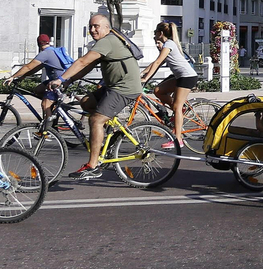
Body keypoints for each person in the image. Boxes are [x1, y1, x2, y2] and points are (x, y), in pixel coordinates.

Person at [52, 14, 144, 180]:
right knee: (86, 102)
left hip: (125, 88)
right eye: (91, 26)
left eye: (96, 26)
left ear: (107, 28)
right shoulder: (105, 42)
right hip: (114, 86)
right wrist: (70, 80)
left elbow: (82, 61)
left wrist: (60, 79)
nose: (93, 29)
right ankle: (110, 133)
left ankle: (93, 166)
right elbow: (88, 65)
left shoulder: (107, 41)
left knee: (96, 120)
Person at [142, 22, 199, 151]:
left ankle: (178, 140)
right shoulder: (167, 45)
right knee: (158, 91)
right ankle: (178, 109)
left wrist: (146, 78)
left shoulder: (168, 44)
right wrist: (142, 73)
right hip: (180, 76)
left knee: (177, 107)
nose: (155, 35)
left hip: (187, 77)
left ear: (160, 33)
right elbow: (155, 64)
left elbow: (157, 62)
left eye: (155, 32)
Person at [5, 34, 73, 116]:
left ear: (38, 44)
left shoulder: (45, 53)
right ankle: (53, 105)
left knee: (45, 105)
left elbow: (28, 67)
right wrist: (23, 76)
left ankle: (48, 127)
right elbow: (35, 68)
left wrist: (13, 76)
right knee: (38, 90)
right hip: (58, 79)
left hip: (60, 81)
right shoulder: (52, 51)